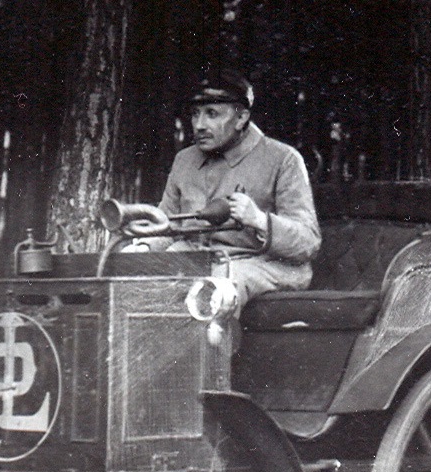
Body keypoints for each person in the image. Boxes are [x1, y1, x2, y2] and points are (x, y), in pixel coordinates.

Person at [135, 69, 321, 310]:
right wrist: (142, 248)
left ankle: (211, 347)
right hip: (198, 259)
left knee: (214, 288)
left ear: (242, 117)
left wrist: (259, 220)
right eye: (195, 114)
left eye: (212, 114)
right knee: (137, 279)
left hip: (262, 263)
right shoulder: (185, 160)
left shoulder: (283, 159)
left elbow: (308, 243)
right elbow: (168, 223)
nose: (199, 125)